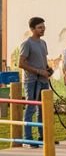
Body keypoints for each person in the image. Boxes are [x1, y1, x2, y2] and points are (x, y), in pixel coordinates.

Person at [17, 17, 50, 148]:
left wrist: (47, 70)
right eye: (40, 27)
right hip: (31, 81)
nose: (43, 29)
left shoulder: (43, 43)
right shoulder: (27, 43)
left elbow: (44, 60)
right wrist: (38, 71)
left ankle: (42, 137)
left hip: (43, 81)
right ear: (32, 29)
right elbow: (21, 63)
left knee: (43, 110)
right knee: (30, 109)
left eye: (43, 27)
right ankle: (28, 139)